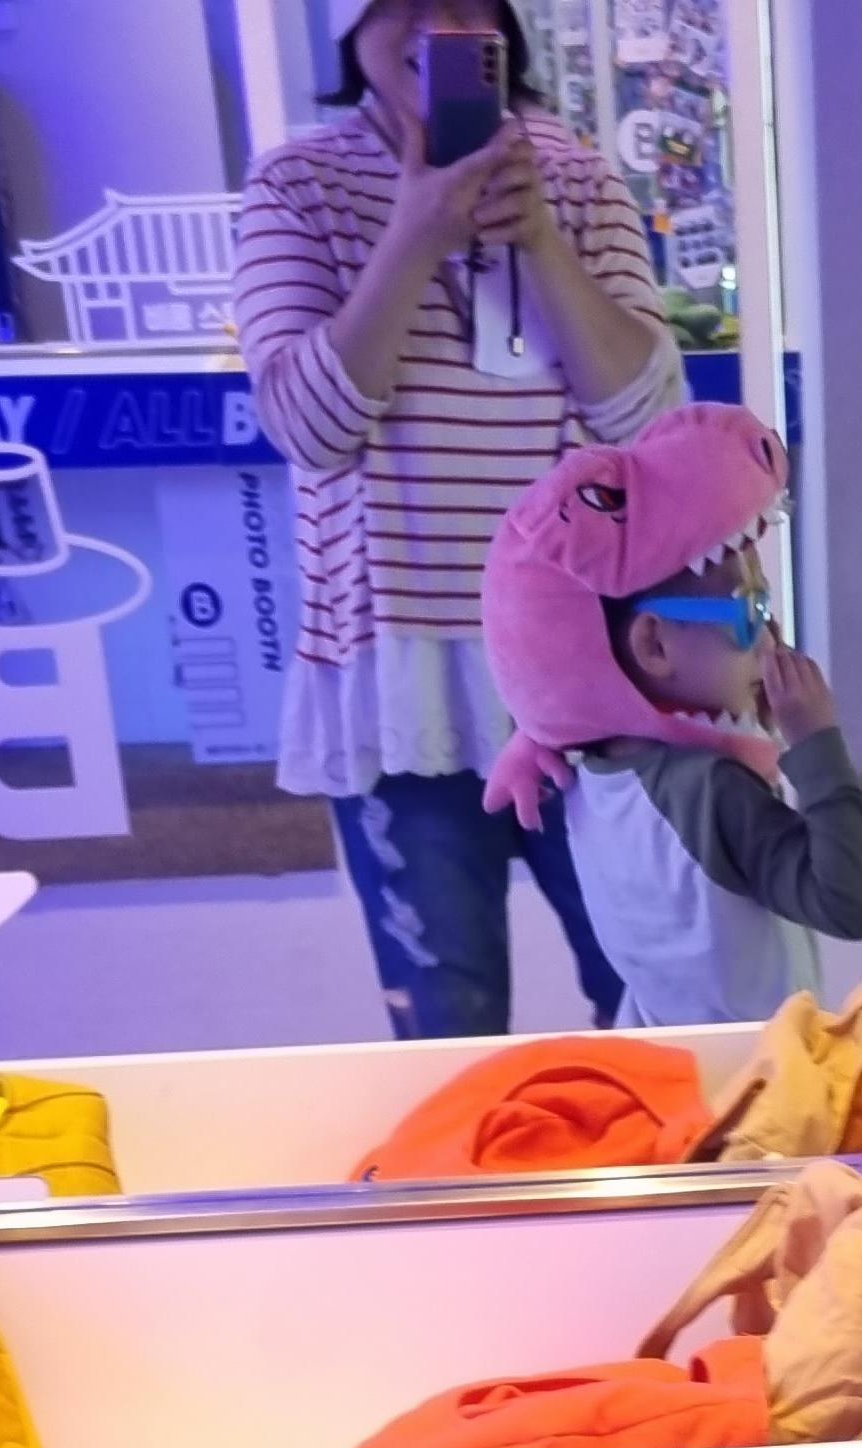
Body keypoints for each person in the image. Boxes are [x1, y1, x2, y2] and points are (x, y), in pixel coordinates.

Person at [234, 0, 682, 1039]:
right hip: (405, 686)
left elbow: (647, 424)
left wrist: (543, 243)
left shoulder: (576, 179)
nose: (438, 18)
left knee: (651, 996)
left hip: (591, 676)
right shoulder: (298, 185)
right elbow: (308, 429)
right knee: (448, 1025)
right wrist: (416, 232)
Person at [480, 402, 862, 1027]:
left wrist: (540, 730)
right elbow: (851, 903)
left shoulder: (592, 773)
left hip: (665, 1049)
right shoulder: (710, 792)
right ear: (654, 646)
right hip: (760, 1064)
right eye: (750, 611)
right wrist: (818, 745)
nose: (771, 639)